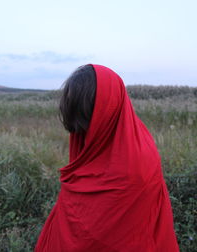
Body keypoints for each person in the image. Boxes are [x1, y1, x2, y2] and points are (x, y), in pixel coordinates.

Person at [35, 64, 179, 252]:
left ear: (106, 108)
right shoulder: (92, 139)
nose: (83, 131)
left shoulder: (138, 162)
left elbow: (119, 235)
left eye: (87, 117)